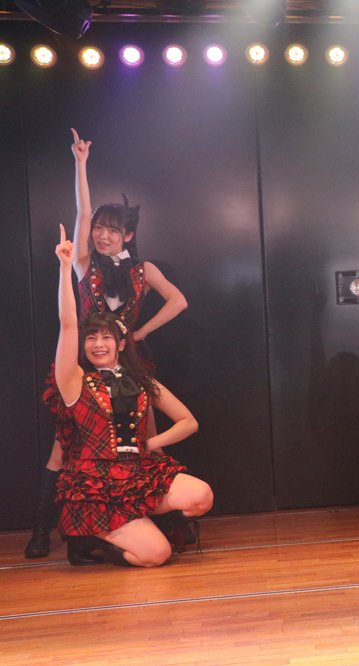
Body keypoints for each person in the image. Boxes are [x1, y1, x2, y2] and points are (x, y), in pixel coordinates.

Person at [26, 129, 190, 559]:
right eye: (99, 229)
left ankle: (159, 520)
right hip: (82, 363)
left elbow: (179, 301)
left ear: (127, 236)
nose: (102, 235)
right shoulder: (85, 265)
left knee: (145, 437)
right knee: (64, 446)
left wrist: (140, 333)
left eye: (111, 230)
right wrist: (80, 163)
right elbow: (82, 214)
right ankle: (44, 530)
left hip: (128, 361)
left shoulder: (143, 271)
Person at [52, 224, 211, 566]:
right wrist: (65, 269)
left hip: (137, 472)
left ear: (121, 344)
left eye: (106, 338)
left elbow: (188, 422)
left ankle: (140, 521)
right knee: (156, 555)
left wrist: (150, 444)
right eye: (91, 338)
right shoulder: (74, 380)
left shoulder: (139, 380)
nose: (98, 344)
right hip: (96, 484)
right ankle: (97, 538)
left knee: (201, 496)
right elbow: (67, 324)